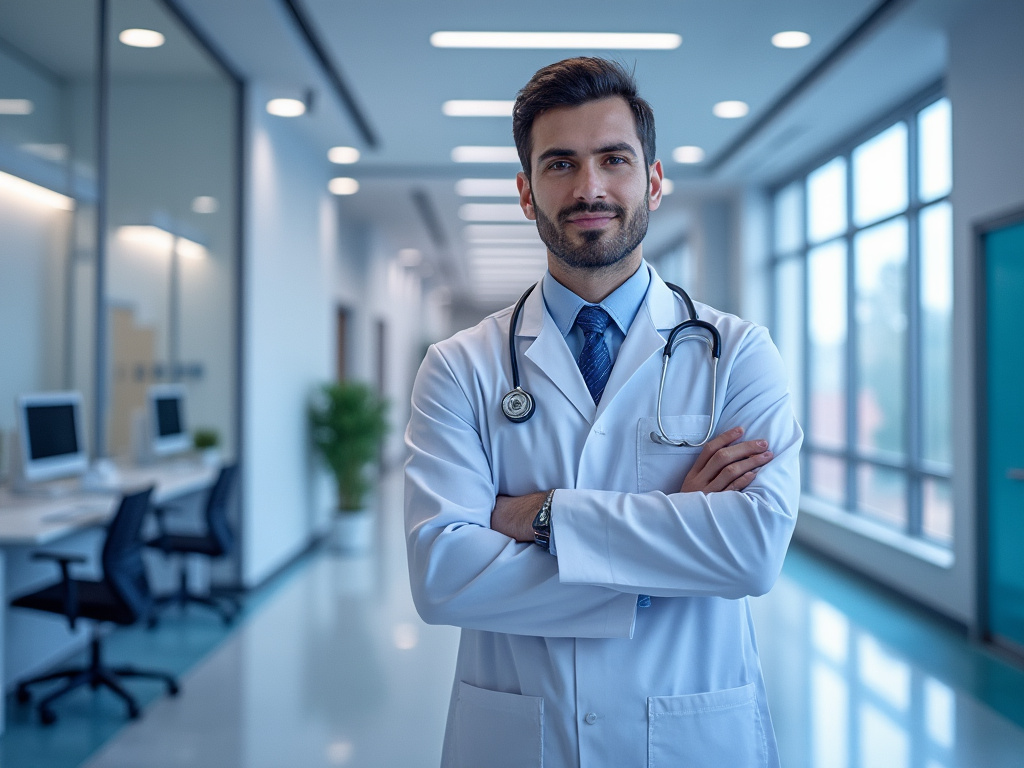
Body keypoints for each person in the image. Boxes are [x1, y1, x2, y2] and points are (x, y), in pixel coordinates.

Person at [405, 57, 802, 768]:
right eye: (560, 164)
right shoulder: (459, 366)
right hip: (522, 737)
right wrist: (673, 539)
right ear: (527, 194)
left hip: (692, 731)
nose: (589, 188)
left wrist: (545, 514)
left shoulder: (738, 354)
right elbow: (441, 574)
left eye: (613, 159)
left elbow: (751, 551)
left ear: (651, 179)